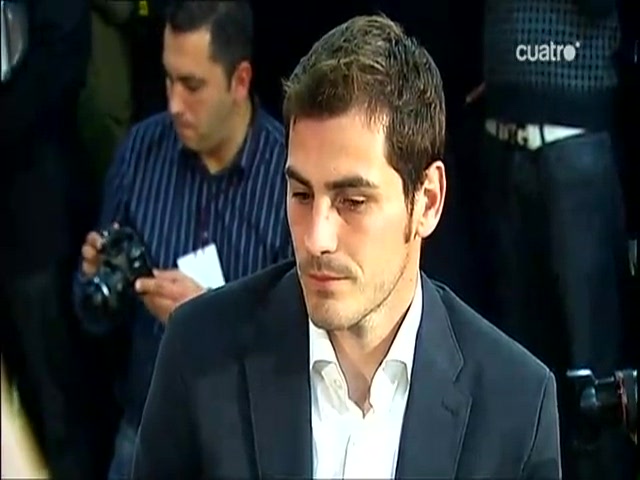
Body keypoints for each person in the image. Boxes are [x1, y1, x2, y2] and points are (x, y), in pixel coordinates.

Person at [132, 14, 562, 480]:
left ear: (427, 201)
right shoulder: (199, 355)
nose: (316, 237)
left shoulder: (515, 405)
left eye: (352, 201)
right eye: (301, 194)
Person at [72, 2, 290, 479]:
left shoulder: (290, 184)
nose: (173, 103)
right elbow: (94, 319)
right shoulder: (140, 153)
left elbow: (307, 348)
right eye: (168, 80)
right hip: (147, 433)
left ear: (240, 80)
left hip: (244, 446)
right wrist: (95, 282)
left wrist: (211, 320)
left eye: (192, 86)